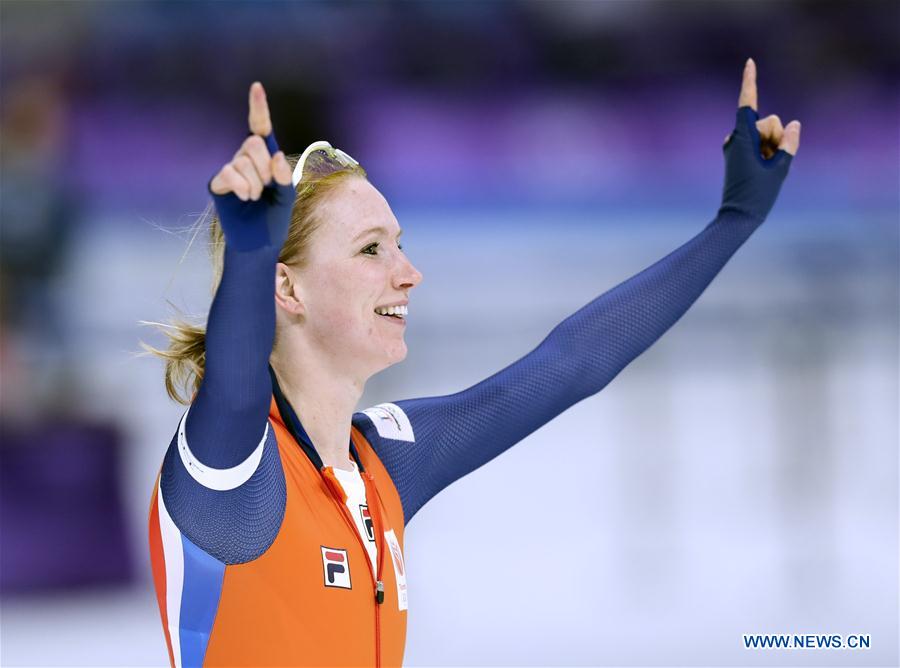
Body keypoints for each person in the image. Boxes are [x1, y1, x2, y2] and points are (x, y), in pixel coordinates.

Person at [147, 58, 800, 667]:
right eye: (371, 250)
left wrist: (734, 221)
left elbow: (573, 362)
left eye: (400, 245)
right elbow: (234, 391)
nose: (409, 274)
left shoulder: (383, 466)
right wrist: (250, 258)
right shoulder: (234, 474)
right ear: (288, 289)